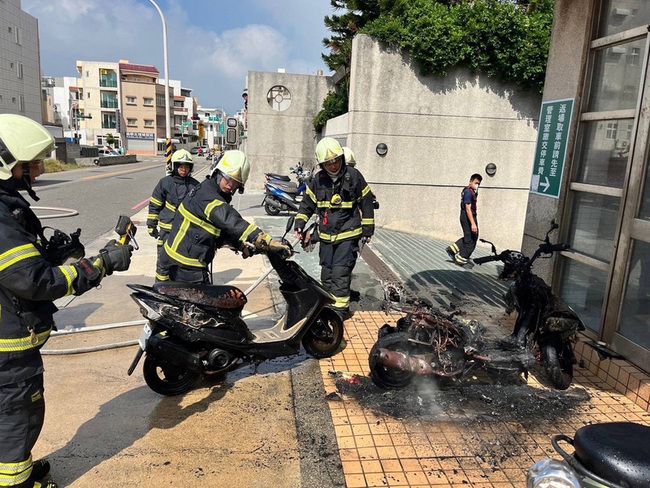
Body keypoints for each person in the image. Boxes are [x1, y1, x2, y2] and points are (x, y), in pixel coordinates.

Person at [0, 114, 133, 488]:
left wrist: (53, 255)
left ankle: (17, 470)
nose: (40, 170)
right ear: (8, 166)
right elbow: (34, 281)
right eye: (33, 164)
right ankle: (16, 482)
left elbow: (19, 267)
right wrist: (98, 265)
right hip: (6, 349)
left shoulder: (7, 206)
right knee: (17, 416)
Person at [159, 150, 291, 283]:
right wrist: (262, 239)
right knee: (211, 302)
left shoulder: (210, 190)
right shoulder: (208, 196)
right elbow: (228, 219)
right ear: (218, 173)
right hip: (185, 265)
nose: (230, 185)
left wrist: (240, 245)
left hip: (183, 260)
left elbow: (219, 229)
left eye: (236, 183)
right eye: (228, 178)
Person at [294, 138, 375, 320]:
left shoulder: (354, 176)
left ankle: (340, 311)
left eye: (336, 160)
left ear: (342, 158)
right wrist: (300, 223)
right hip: (326, 236)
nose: (333, 165)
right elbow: (307, 204)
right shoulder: (317, 180)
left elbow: (366, 201)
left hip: (348, 234)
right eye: (329, 163)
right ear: (322, 164)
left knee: (340, 272)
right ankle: (328, 305)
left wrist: (368, 228)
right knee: (327, 271)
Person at [147, 149, 199, 282]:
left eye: (187, 167)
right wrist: (151, 225)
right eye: (181, 166)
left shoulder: (195, 186)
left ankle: (178, 286)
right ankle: (160, 287)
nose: (184, 169)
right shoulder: (165, 183)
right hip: (167, 231)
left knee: (183, 261)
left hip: (186, 232)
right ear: (174, 167)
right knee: (164, 261)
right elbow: (155, 204)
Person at [446, 173, 482, 266]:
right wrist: (473, 224)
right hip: (467, 217)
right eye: (476, 182)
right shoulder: (468, 192)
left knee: (470, 237)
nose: (477, 185)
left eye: (479, 184)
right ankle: (462, 259)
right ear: (470, 182)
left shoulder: (471, 192)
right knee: (471, 240)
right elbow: (468, 209)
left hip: (468, 216)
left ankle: (452, 249)